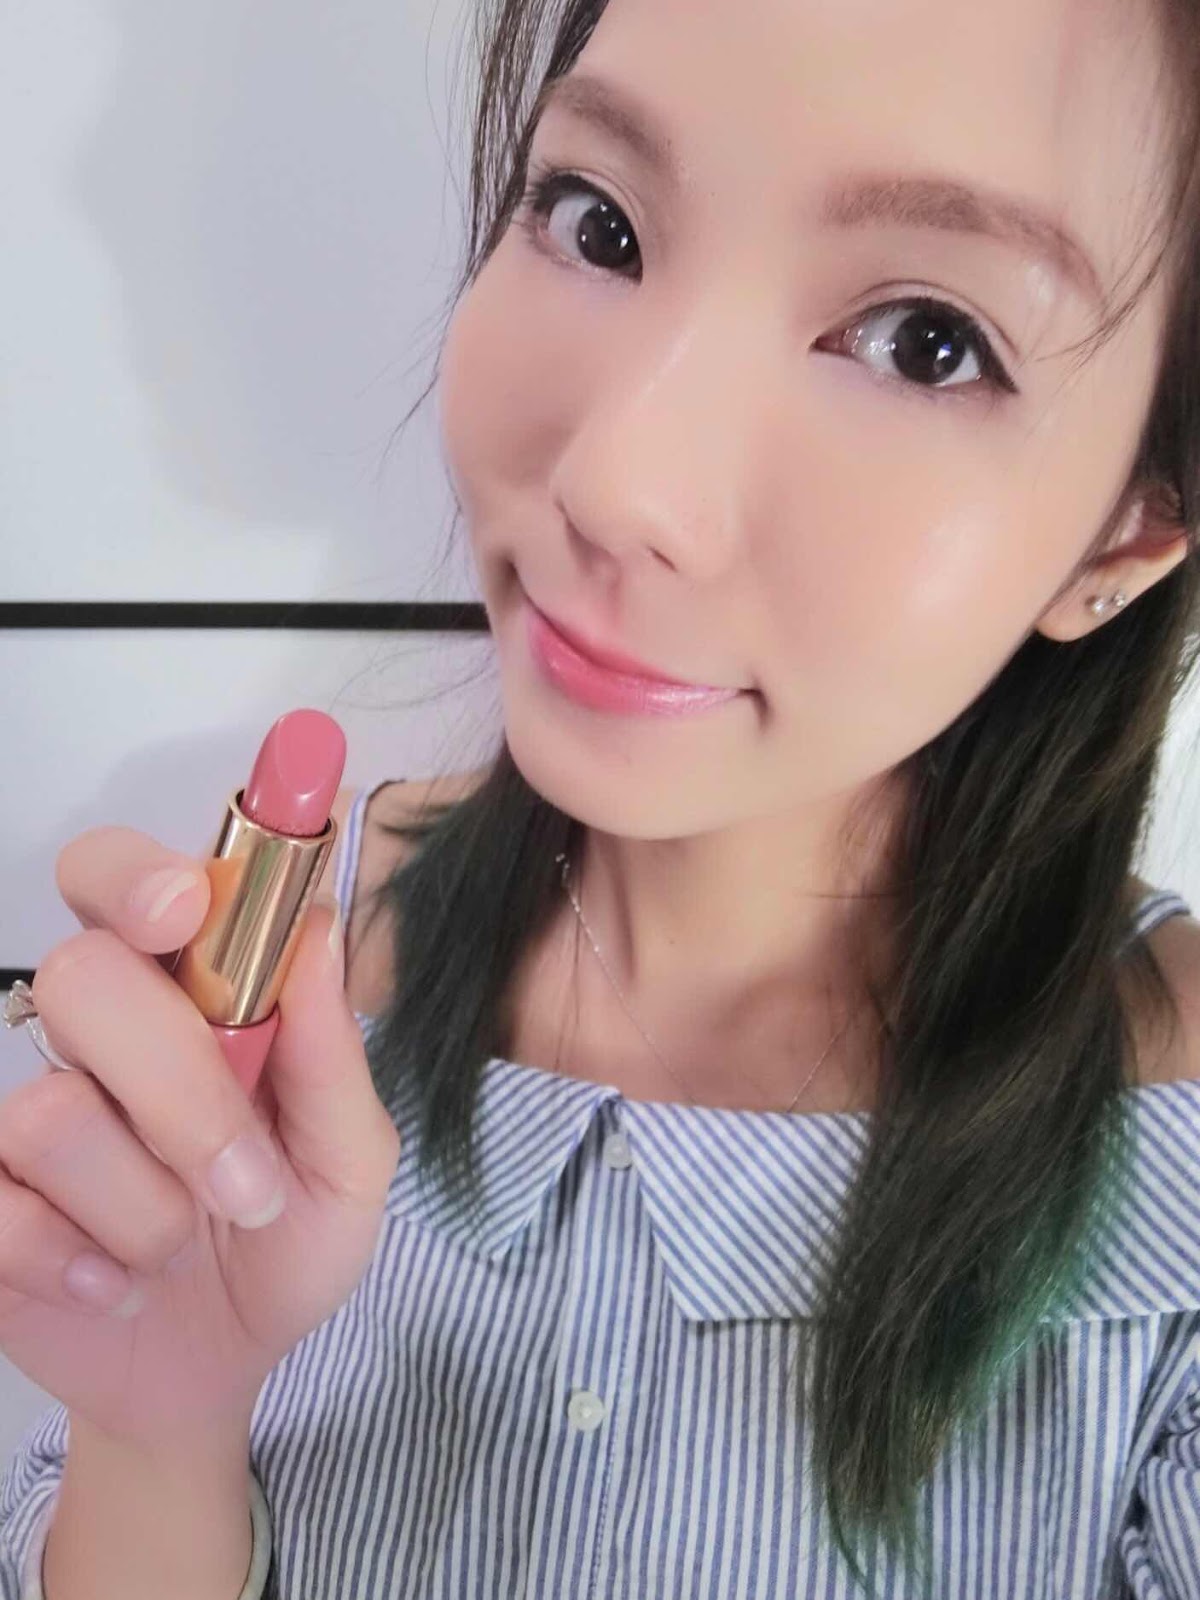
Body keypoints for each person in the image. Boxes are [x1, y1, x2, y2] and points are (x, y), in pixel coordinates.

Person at [4, 0, 1200, 1592]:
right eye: (598, 221)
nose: (620, 483)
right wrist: (159, 1430)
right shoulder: (272, 978)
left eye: (927, 340)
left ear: (1128, 531)